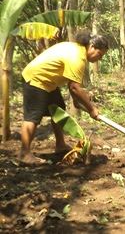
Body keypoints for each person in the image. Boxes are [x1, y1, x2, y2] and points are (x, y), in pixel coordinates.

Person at [19, 30, 109, 165]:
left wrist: (76, 101)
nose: (99, 58)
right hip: (36, 79)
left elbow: (71, 84)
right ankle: (24, 154)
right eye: (99, 54)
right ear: (91, 46)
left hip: (48, 82)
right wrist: (92, 109)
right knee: (33, 117)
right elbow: (74, 87)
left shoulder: (75, 49)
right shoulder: (78, 58)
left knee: (59, 110)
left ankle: (60, 145)